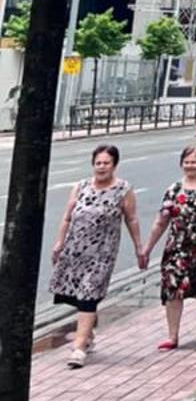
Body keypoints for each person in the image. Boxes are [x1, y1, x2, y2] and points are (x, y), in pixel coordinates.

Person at [48, 144, 145, 368]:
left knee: (88, 295)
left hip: (102, 254)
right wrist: (59, 242)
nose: (101, 167)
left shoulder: (123, 190)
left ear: (114, 165)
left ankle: (79, 348)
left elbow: (131, 219)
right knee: (74, 295)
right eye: (98, 163)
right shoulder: (81, 186)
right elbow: (67, 216)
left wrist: (139, 247)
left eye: (106, 163)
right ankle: (88, 333)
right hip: (75, 250)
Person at [141, 143, 196, 350]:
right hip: (178, 246)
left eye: (194, 162)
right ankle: (173, 336)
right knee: (173, 287)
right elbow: (161, 220)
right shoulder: (174, 190)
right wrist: (147, 248)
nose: (190, 166)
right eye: (186, 162)